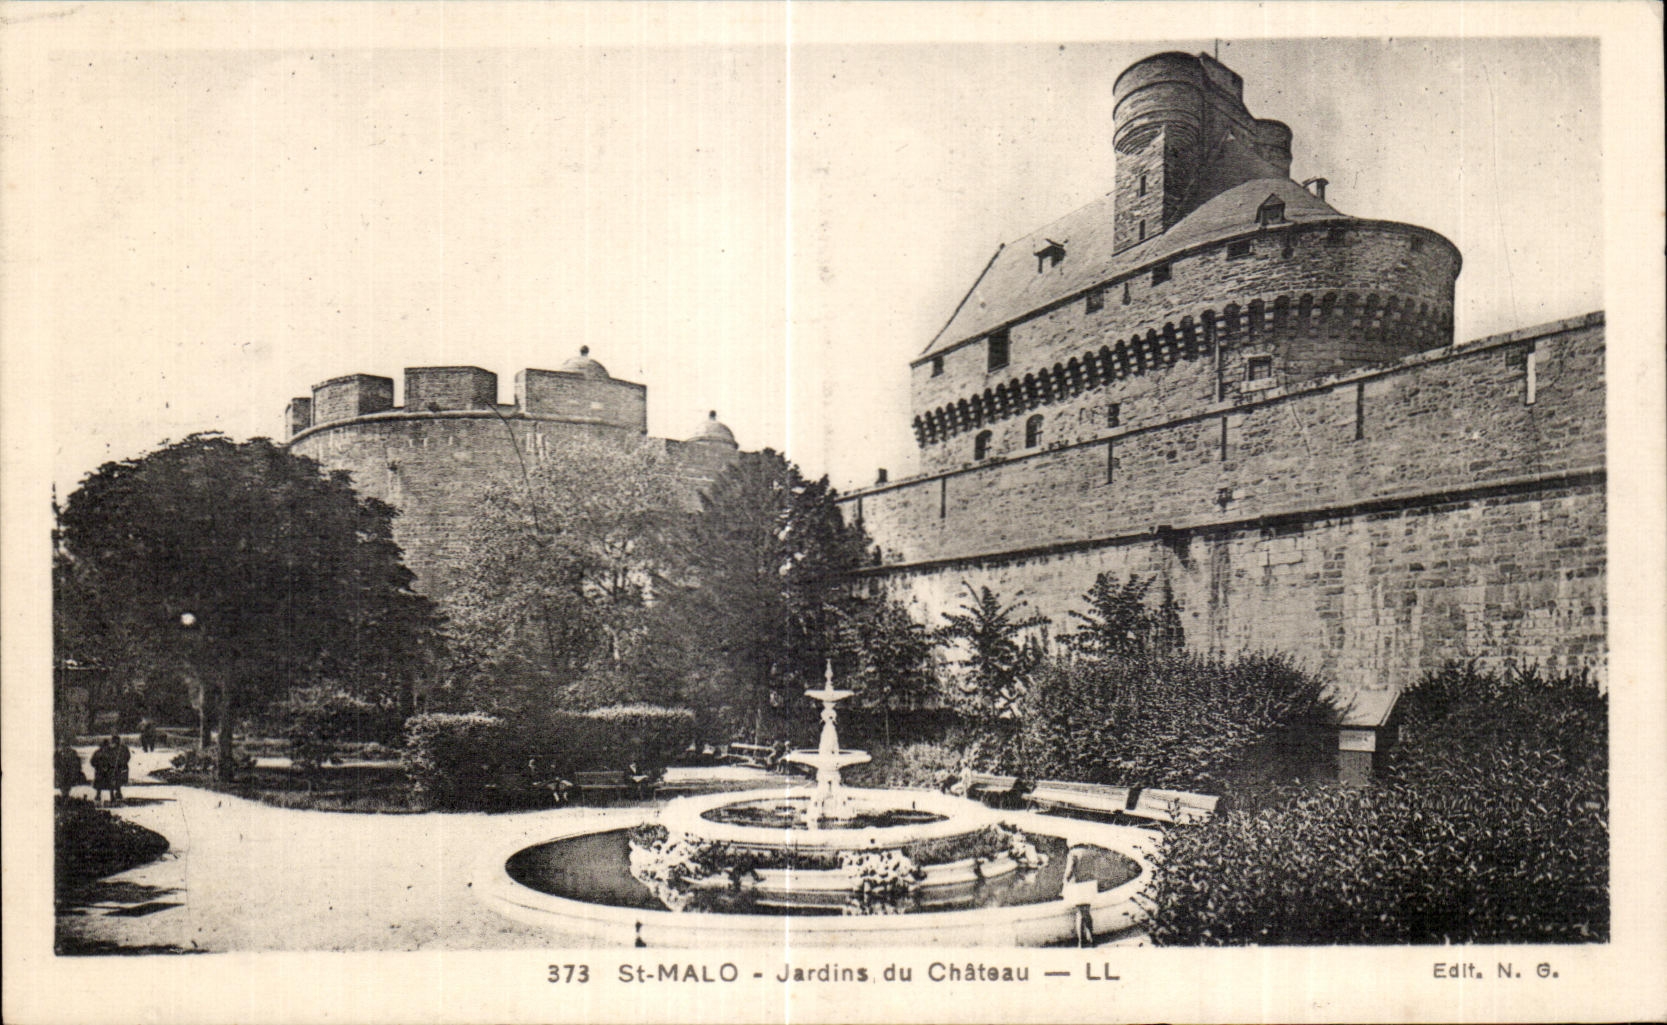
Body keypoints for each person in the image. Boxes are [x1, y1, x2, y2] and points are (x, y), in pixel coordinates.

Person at [90, 737, 114, 804]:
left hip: (109, 771)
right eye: (104, 745)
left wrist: (110, 767)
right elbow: (92, 761)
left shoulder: (111, 752)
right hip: (99, 771)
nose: (105, 747)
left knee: (110, 784)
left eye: (106, 745)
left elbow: (114, 761)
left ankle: (112, 796)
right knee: (99, 783)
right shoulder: (97, 752)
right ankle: (98, 795)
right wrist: (97, 766)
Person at [109, 734, 132, 802]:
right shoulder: (112, 748)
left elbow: (128, 756)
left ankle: (116, 793)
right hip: (115, 767)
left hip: (119, 767)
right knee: (115, 780)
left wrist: (123, 762)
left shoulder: (122, 748)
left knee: (117, 780)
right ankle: (115, 794)